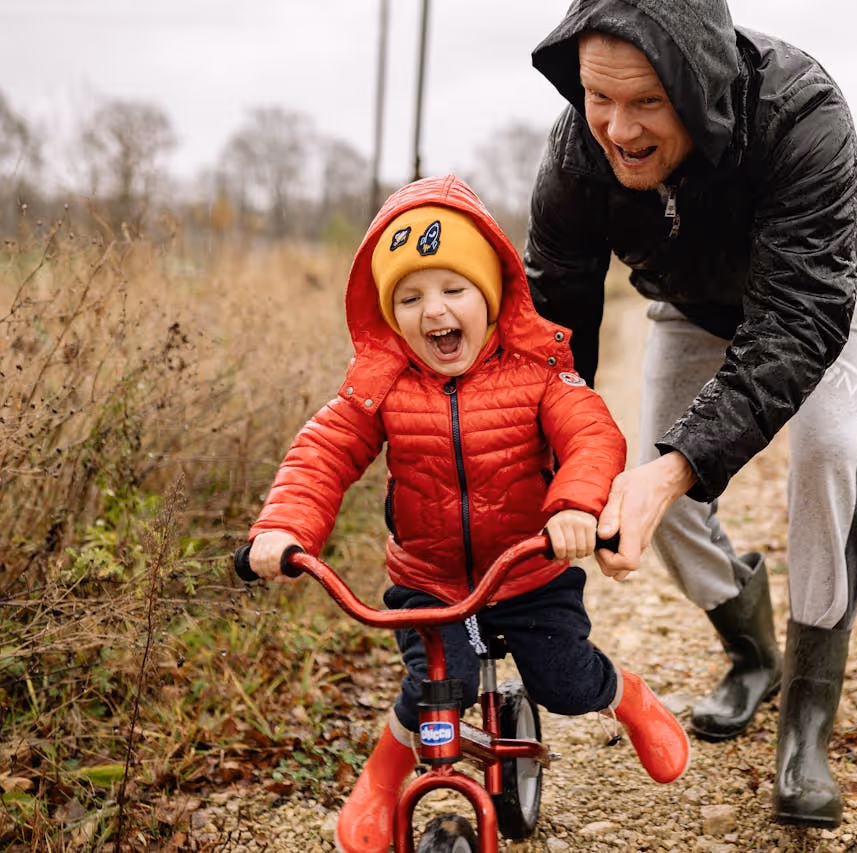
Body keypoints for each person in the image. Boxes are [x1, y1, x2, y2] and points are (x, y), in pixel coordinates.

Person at [525, 0, 857, 828]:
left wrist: (676, 466)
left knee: (828, 449)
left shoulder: (802, 114)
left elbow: (799, 319)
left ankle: (807, 719)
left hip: (831, 289)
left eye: (647, 101)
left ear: (698, 85)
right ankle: (752, 652)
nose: (618, 129)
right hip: (690, 303)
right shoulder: (575, 153)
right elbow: (554, 322)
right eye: (598, 98)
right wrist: (551, 462)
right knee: (658, 477)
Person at [246, 175, 690, 853]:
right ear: (391, 313)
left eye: (454, 289)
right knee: (433, 689)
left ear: (490, 293)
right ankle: (379, 780)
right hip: (430, 581)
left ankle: (626, 696)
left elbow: (592, 435)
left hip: (527, 572)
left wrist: (573, 506)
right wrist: (285, 526)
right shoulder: (383, 382)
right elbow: (325, 450)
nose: (434, 312)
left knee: (565, 682)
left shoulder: (537, 370)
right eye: (410, 296)